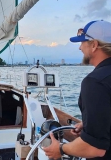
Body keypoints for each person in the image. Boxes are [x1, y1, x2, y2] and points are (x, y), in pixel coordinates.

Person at [43, 20, 111, 160]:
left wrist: (60, 149)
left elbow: (95, 148)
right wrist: (88, 124)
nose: (80, 48)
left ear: (94, 45)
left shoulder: (94, 82)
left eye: (82, 43)